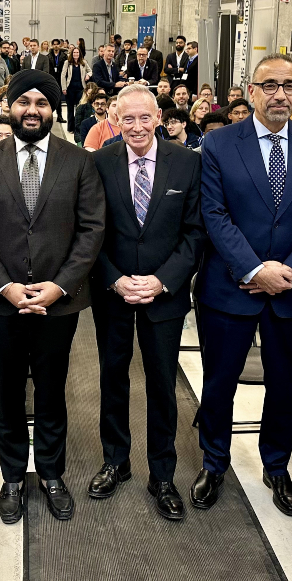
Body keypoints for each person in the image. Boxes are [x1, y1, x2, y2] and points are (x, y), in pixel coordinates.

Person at [194, 53, 292, 516]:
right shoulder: (219, 144)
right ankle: (214, 462)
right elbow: (214, 214)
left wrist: (288, 270)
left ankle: (276, 466)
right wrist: (256, 270)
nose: (280, 95)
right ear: (252, 91)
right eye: (270, 85)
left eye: (289, 86)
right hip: (230, 287)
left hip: (290, 291)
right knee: (219, 383)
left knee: (284, 385)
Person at [0, 69, 105, 525]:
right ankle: (12, 478)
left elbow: (91, 230)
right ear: (9, 105)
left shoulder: (78, 161)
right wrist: (5, 286)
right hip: (1, 303)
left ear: (53, 110)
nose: (32, 110)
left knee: (51, 391)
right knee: (6, 392)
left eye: (42, 103)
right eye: (24, 101)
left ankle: (51, 473)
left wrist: (60, 285)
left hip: (57, 304)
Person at [88, 85, 203, 521]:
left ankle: (162, 475)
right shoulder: (100, 163)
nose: (136, 127)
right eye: (127, 119)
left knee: (162, 385)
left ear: (158, 117)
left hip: (163, 295)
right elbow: (90, 230)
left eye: (144, 117)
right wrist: (115, 279)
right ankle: (115, 462)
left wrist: (162, 280)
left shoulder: (187, 162)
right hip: (113, 293)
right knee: (112, 379)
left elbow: (195, 232)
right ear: (115, 120)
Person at [61, 45, 91, 134]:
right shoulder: (67, 62)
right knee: (70, 109)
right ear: (72, 53)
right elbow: (63, 75)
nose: (76, 54)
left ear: (79, 54)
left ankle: (78, 128)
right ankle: (70, 128)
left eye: (77, 52)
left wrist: (88, 75)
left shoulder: (84, 62)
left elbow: (90, 71)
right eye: (74, 52)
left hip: (80, 89)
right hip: (70, 88)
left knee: (79, 109)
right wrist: (64, 87)